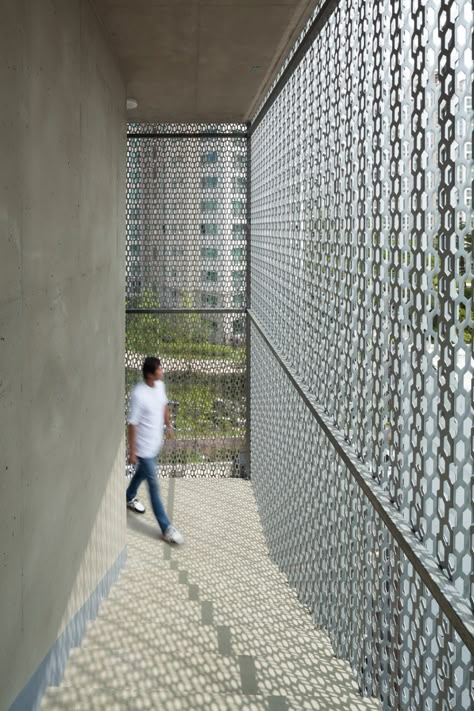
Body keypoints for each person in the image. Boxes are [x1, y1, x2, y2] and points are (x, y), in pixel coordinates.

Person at [126, 356, 184, 545]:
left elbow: (163, 405)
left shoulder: (159, 386)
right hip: (144, 450)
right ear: (150, 374)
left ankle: (128, 496)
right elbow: (132, 424)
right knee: (154, 486)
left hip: (155, 444)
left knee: (142, 474)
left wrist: (168, 425)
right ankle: (166, 528)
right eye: (159, 368)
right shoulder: (138, 394)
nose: (162, 370)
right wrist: (132, 451)